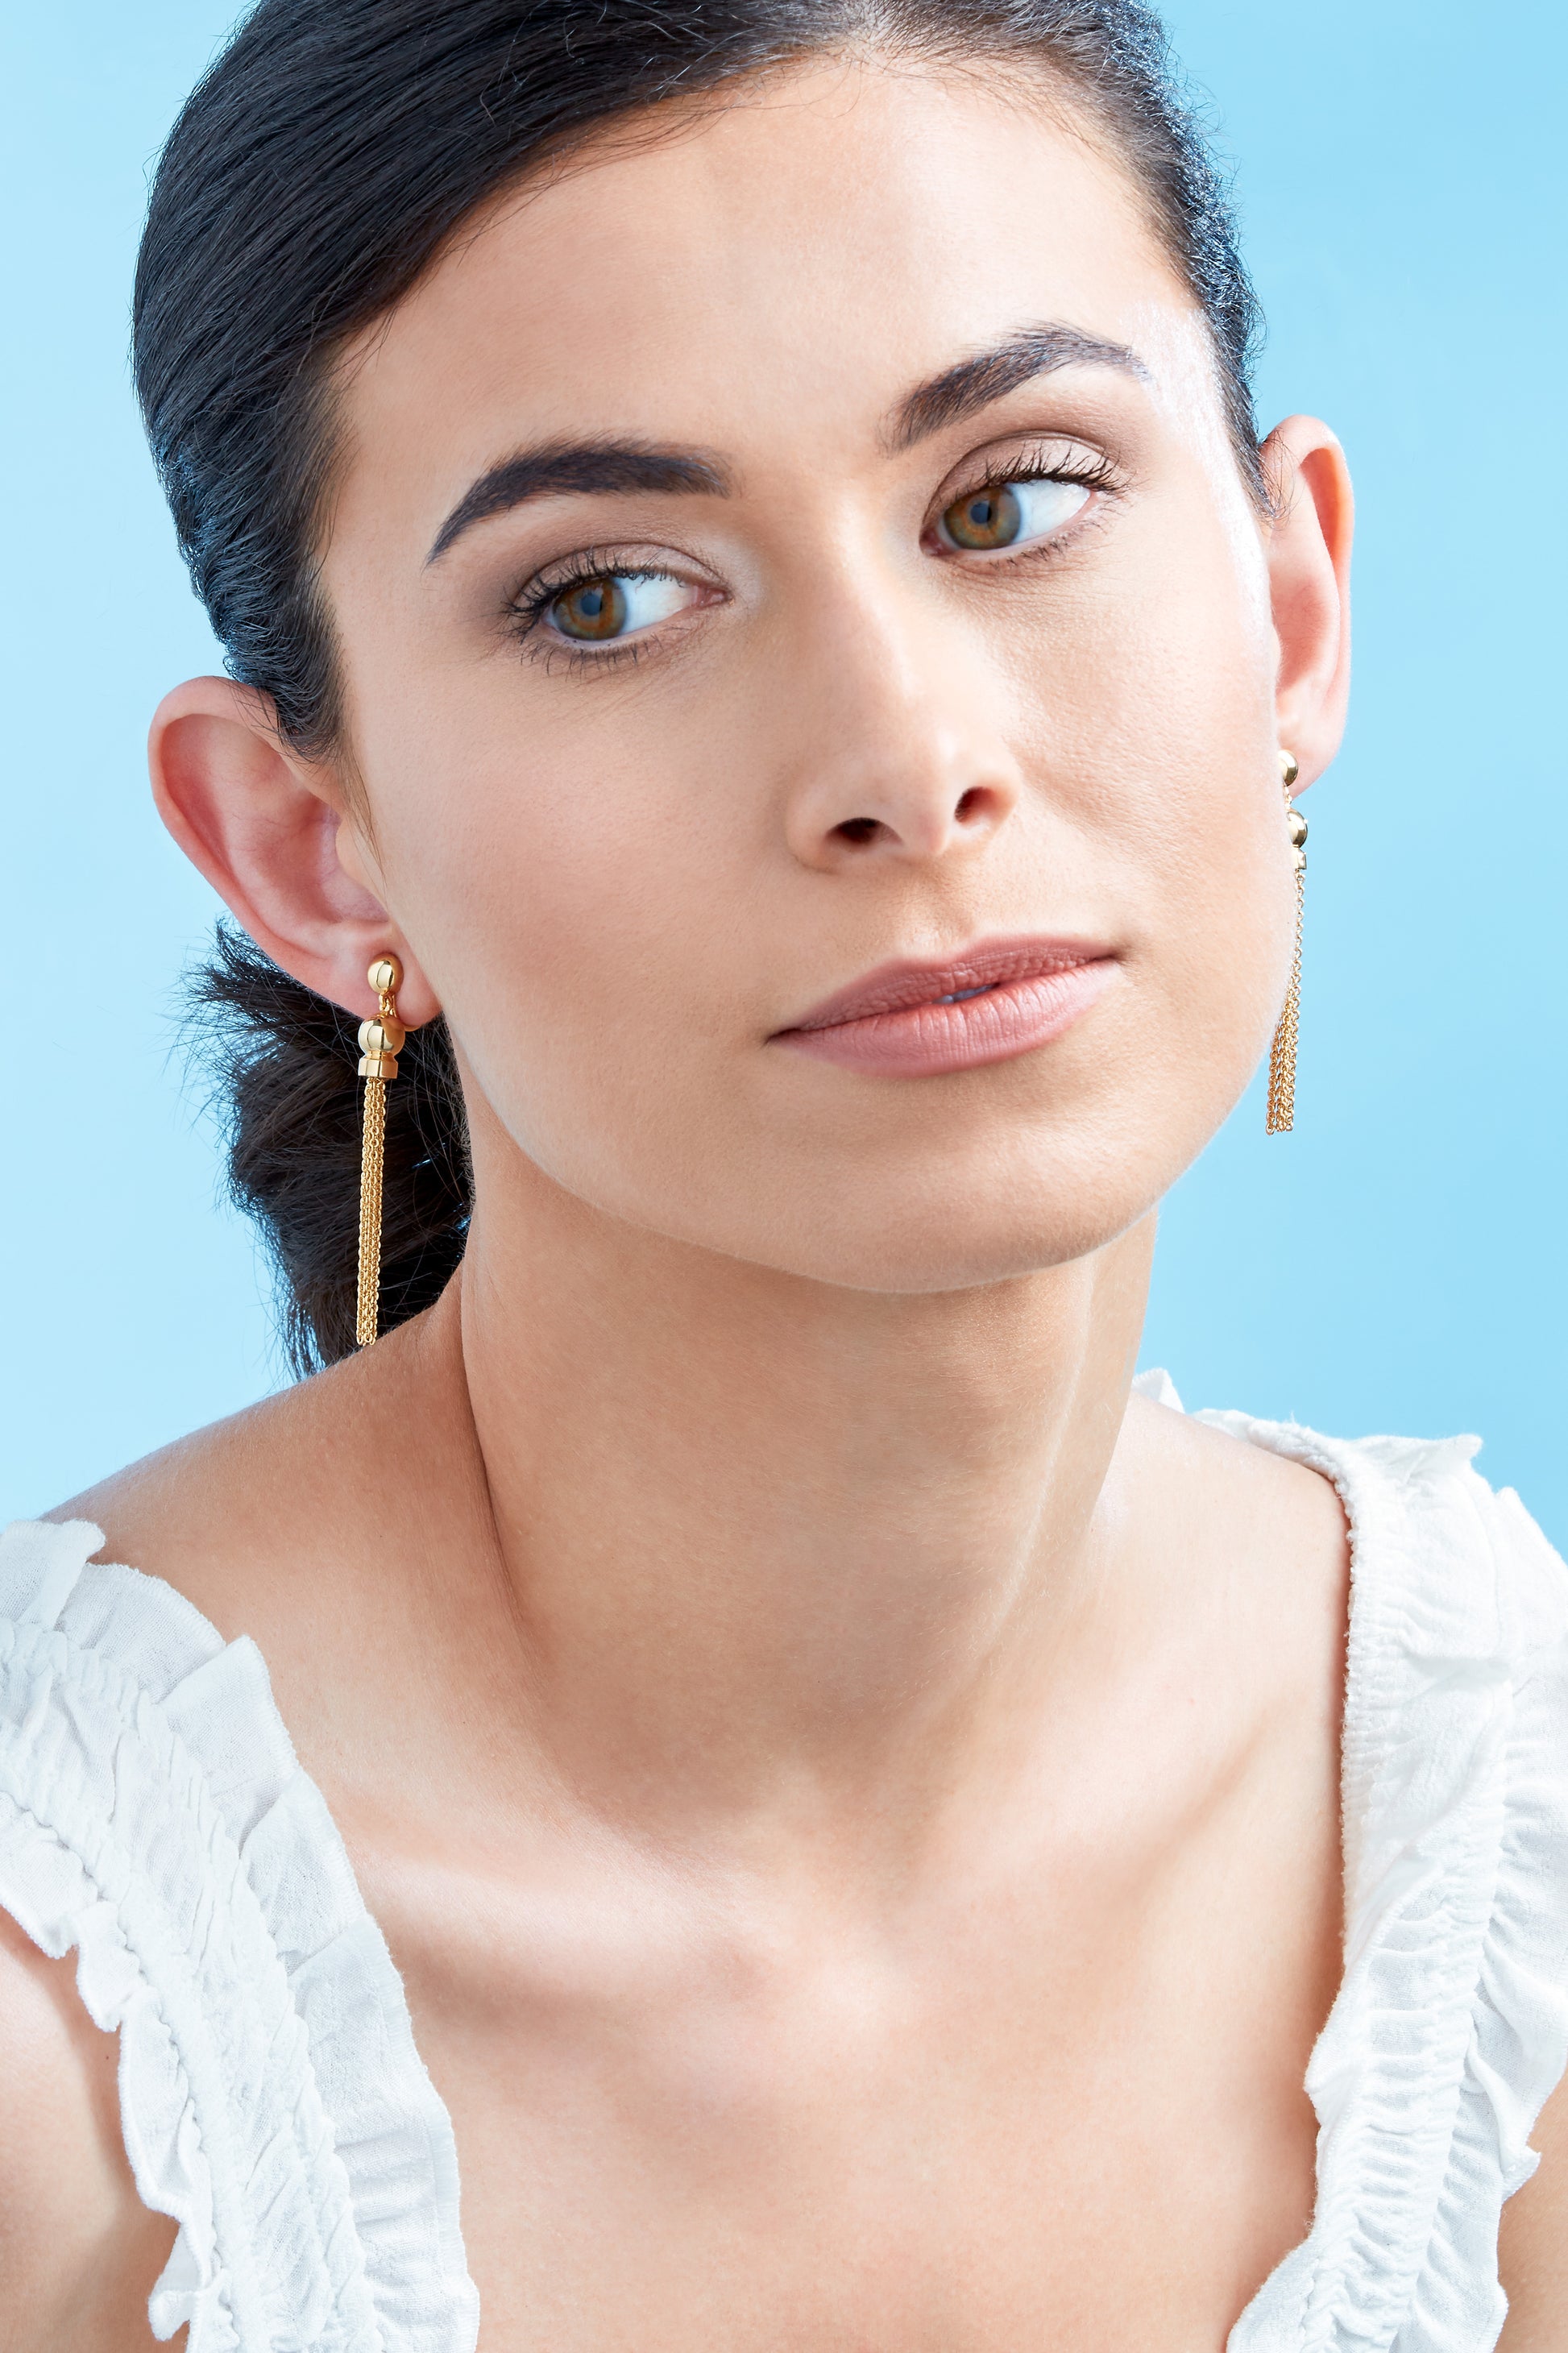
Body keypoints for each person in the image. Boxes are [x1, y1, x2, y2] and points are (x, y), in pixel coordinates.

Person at [2, 2, 1563, 2346]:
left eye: (1010, 500)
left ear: (1288, 610)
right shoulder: (61, 2012)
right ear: (311, 853)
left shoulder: (1495, 1839)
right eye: (603, 595)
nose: (904, 760)